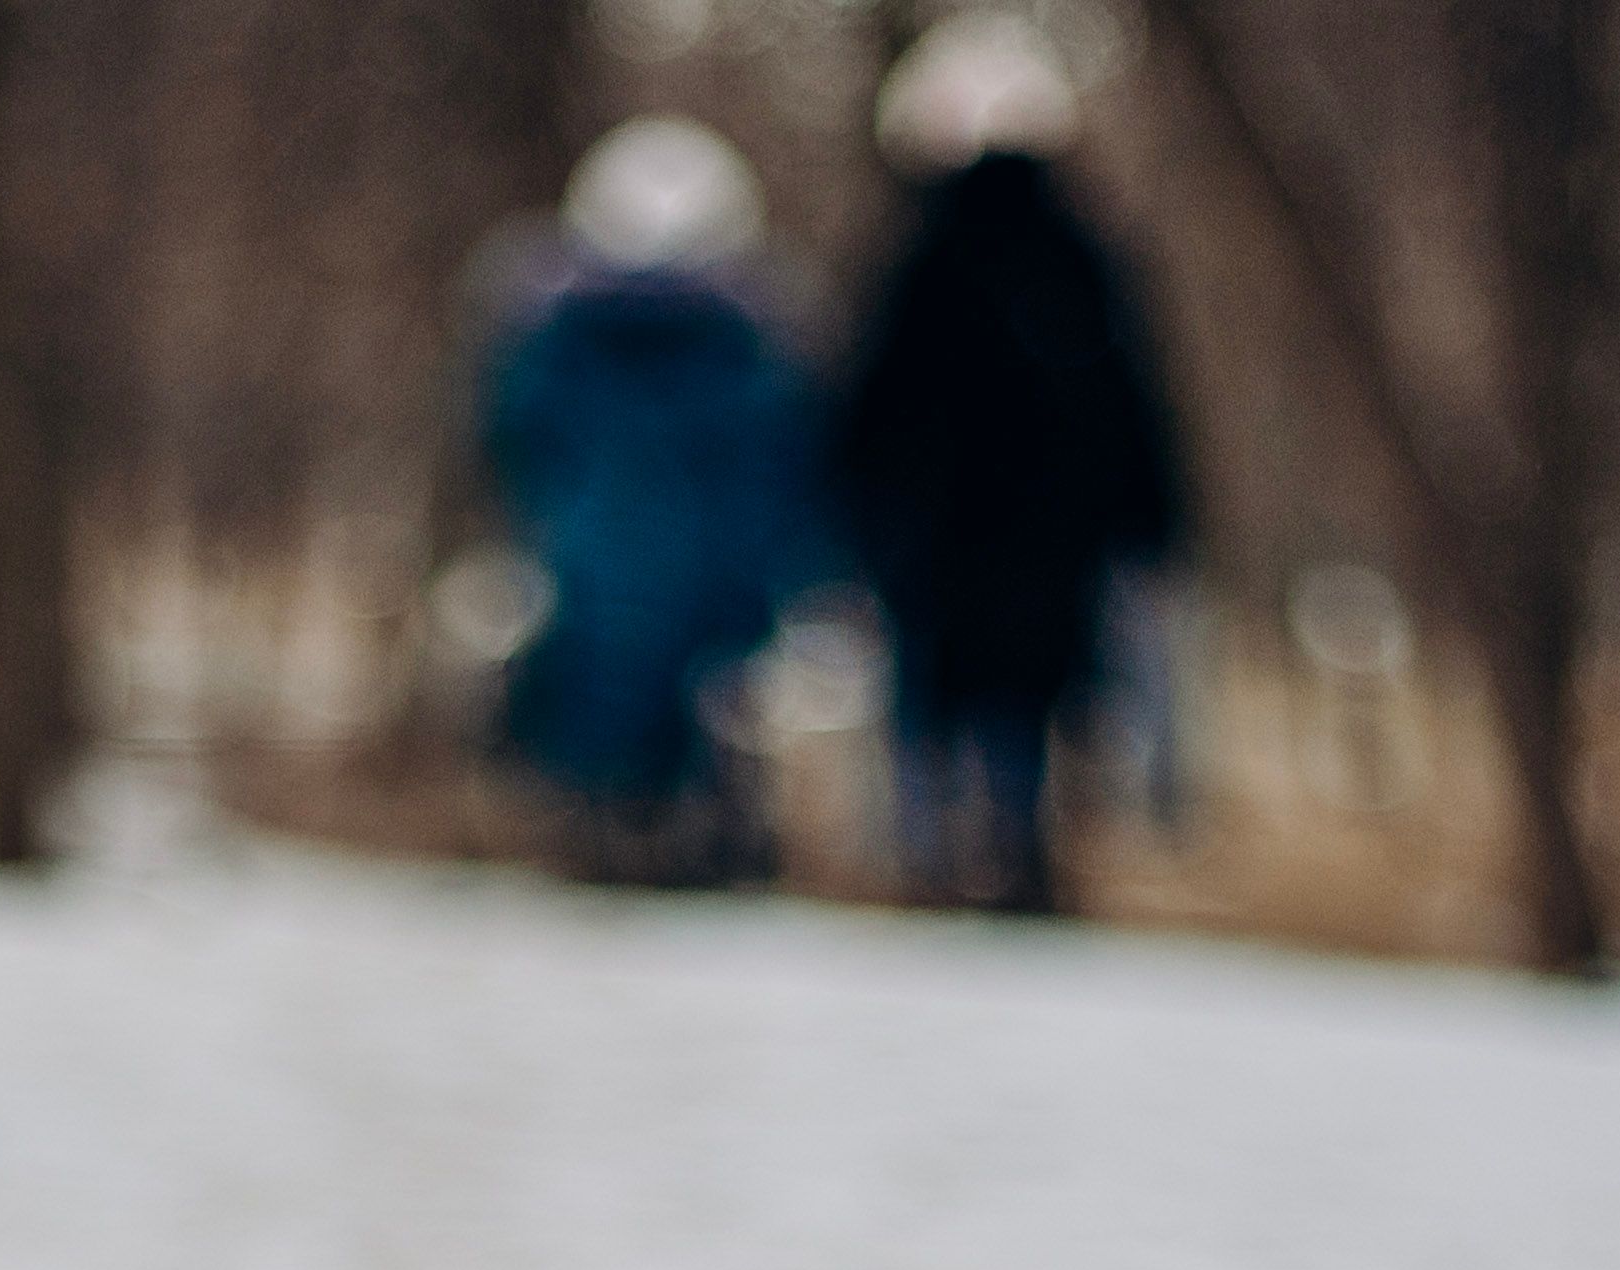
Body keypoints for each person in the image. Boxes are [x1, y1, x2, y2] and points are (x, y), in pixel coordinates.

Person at [825, 17, 1187, 915]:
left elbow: (868, 410)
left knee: (938, 692)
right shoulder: (1079, 258)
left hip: (943, 540)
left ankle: (937, 856)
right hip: (1044, 540)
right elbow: (1132, 406)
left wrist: (857, 515)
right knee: (1024, 696)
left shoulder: (920, 261)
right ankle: (1012, 850)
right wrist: (1151, 518)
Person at [479, 119, 821, 888]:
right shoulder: (746, 350)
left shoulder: (558, 343)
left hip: (607, 566)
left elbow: (518, 444)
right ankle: (649, 827)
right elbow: (778, 464)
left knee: (617, 689)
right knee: (672, 689)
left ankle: (617, 824)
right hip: (681, 576)